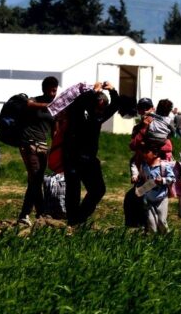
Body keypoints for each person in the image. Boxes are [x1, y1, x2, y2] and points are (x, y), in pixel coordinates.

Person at [62, 81, 119, 226]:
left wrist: (112, 90)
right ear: (92, 104)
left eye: (102, 109)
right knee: (73, 190)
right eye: (98, 108)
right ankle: (73, 220)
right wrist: (93, 92)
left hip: (89, 160)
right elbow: (79, 102)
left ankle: (78, 218)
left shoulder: (98, 117)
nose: (100, 112)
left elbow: (115, 105)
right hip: (72, 157)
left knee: (98, 190)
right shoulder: (78, 114)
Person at [16, 76, 59, 226]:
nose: (53, 93)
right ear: (45, 89)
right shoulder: (35, 101)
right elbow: (27, 104)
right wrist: (46, 105)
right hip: (29, 144)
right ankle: (25, 213)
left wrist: (56, 148)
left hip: (43, 146)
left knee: (37, 180)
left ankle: (40, 212)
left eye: (55, 90)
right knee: (35, 178)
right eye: (51, 90)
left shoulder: (55, 108)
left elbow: (55, 130)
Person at [134, 143, 175, 234]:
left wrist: (163, 180)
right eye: (143, 152)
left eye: (147, 152)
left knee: (161, 221)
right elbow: (142, 179)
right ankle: (153, 241)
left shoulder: (164, 166)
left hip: (161, 198)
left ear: (155, 154)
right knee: (151, 222)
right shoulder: (144, 166)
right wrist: (137, 180)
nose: (144, 154)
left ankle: (166, 238)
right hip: (148, 199)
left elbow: (172, 179)